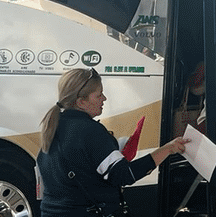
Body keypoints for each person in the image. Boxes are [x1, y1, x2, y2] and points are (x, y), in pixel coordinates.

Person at [38, 68, 190, 216]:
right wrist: (168, 149)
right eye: (99, 95)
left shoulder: (54, 127)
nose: (104, 99)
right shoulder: (90, 131)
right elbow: (125, 175)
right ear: (81, 102)